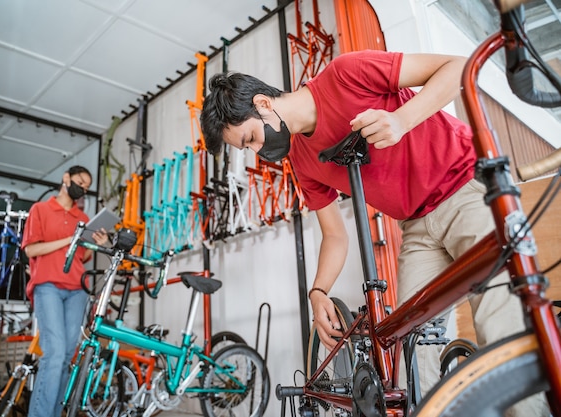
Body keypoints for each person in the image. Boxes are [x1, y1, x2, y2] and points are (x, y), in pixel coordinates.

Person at [200, 50, 547, 415]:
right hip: (416, 224)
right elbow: (334, 234)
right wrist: (317, 292)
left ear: (263, 104)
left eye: (250, 138)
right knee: (409, 352)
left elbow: (458, 66)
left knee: (500, 320)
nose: (258, 151)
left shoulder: (344, 74)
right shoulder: (302, 160)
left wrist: (401, 120)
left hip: (464, 187)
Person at [22, 165, 108, 417]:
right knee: (55, 352)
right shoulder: (40, 209)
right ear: (65, 178)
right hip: (47, 286)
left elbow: (84, 256)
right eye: (79, 182)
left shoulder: (83, 220)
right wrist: (70, 239)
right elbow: (31, 250)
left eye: (86, 187)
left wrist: (95, 244)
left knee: (68, 356)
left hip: (77, 290)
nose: (81, 189)